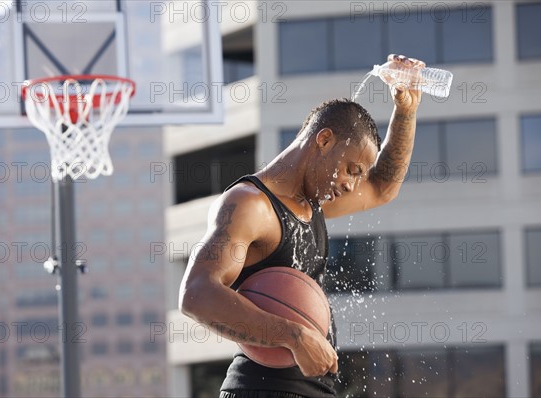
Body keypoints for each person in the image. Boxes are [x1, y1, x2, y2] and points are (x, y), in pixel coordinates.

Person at [179, 54, 424, 398]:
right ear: (323, 140)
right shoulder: (251, 205)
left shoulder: (314, 202)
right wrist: (292, 335)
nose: (354, 186)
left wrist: (407, 110)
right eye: (352, 169)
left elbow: (383, 187)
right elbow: (196, 294)